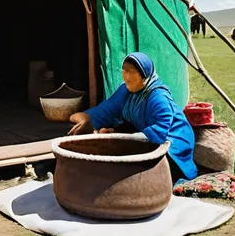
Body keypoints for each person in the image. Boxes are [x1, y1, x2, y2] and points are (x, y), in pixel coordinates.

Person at [68, 52, 198, 181]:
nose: (126, 77)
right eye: (124, 71)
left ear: (144, 74)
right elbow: (107, 108)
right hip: (147, 138)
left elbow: (160, 132)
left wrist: (125, 139)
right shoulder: (126, 90)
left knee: (140, 173)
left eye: (131, 72)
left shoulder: (158, 96)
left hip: (173, 143)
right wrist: (86, 118)